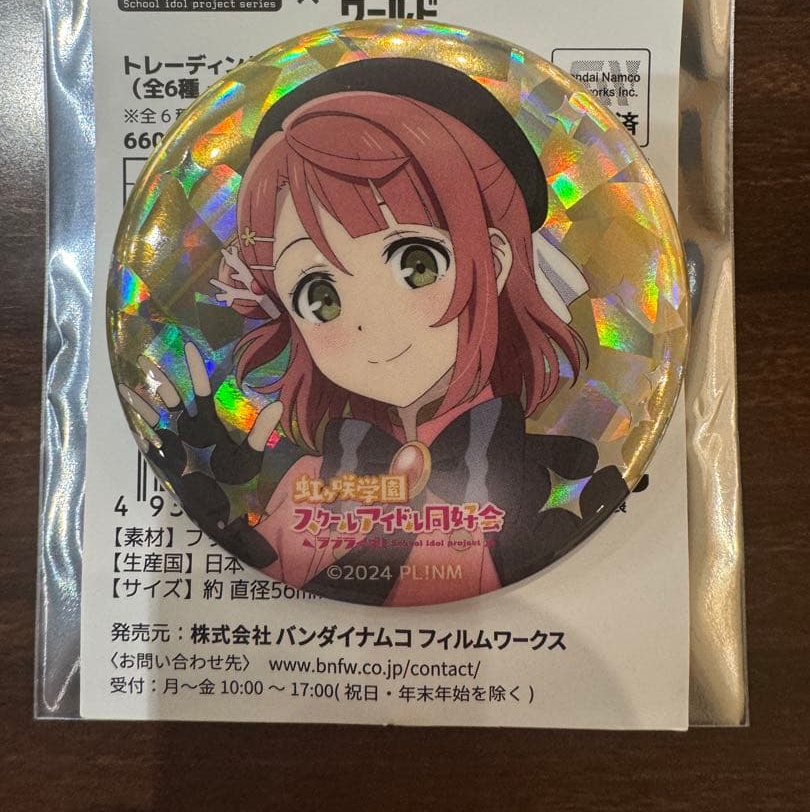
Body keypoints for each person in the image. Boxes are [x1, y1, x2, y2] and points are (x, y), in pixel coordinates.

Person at [121, 57, 628, 605]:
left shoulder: (566, 480)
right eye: (320, 295)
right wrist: (220, 499)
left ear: (496, 259)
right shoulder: (310, 487)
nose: (369, 319)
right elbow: (270, 568)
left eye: (417, 265)